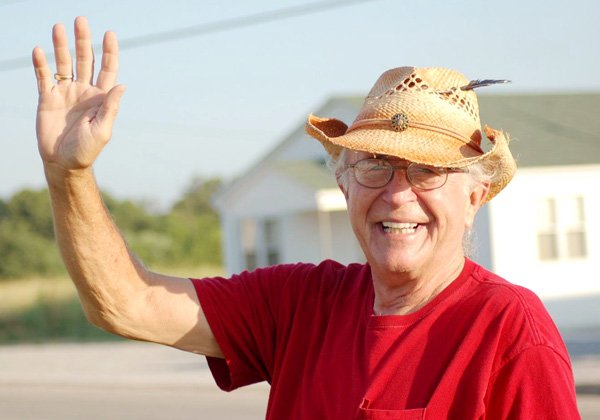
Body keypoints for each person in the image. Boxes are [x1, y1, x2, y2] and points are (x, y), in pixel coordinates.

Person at [32, 17, 580, 419]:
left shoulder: (510, 331)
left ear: (475, 198)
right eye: (375, 167)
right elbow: (127, 304)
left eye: (427, 172)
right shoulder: (300, 303)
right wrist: (69, 176)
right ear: (342, 183)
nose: (397, 195)